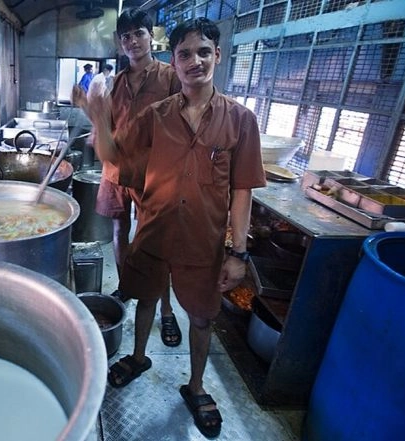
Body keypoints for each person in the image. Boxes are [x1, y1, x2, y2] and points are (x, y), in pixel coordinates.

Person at [79, 18, 266, 439]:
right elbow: (113, 155)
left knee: (201, 317)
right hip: (154, 228)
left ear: (218, 55)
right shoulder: (155, 116)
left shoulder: (240, 120)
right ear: (174, 61)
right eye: (184, 54)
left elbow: (242, 192)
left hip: (204, 237)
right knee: (145, 298)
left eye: (203, 52)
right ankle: (140, 357)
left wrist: (238, 254)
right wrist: (98, 118)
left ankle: (196, 386)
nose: (194, 61)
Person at [74, 9, 183, 349]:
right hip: (117, 170)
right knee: (120, 231)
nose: (132, 41)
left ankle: (166, 310)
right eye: (126, 37)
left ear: (152, 37)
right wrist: (90, 110)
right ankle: (127, 285)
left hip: (156, 172)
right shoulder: (114, 84)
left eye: (139, 34)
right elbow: (103, 128)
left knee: (156, 244)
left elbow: (186, 121)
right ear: (119, 44)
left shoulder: (170, 77)